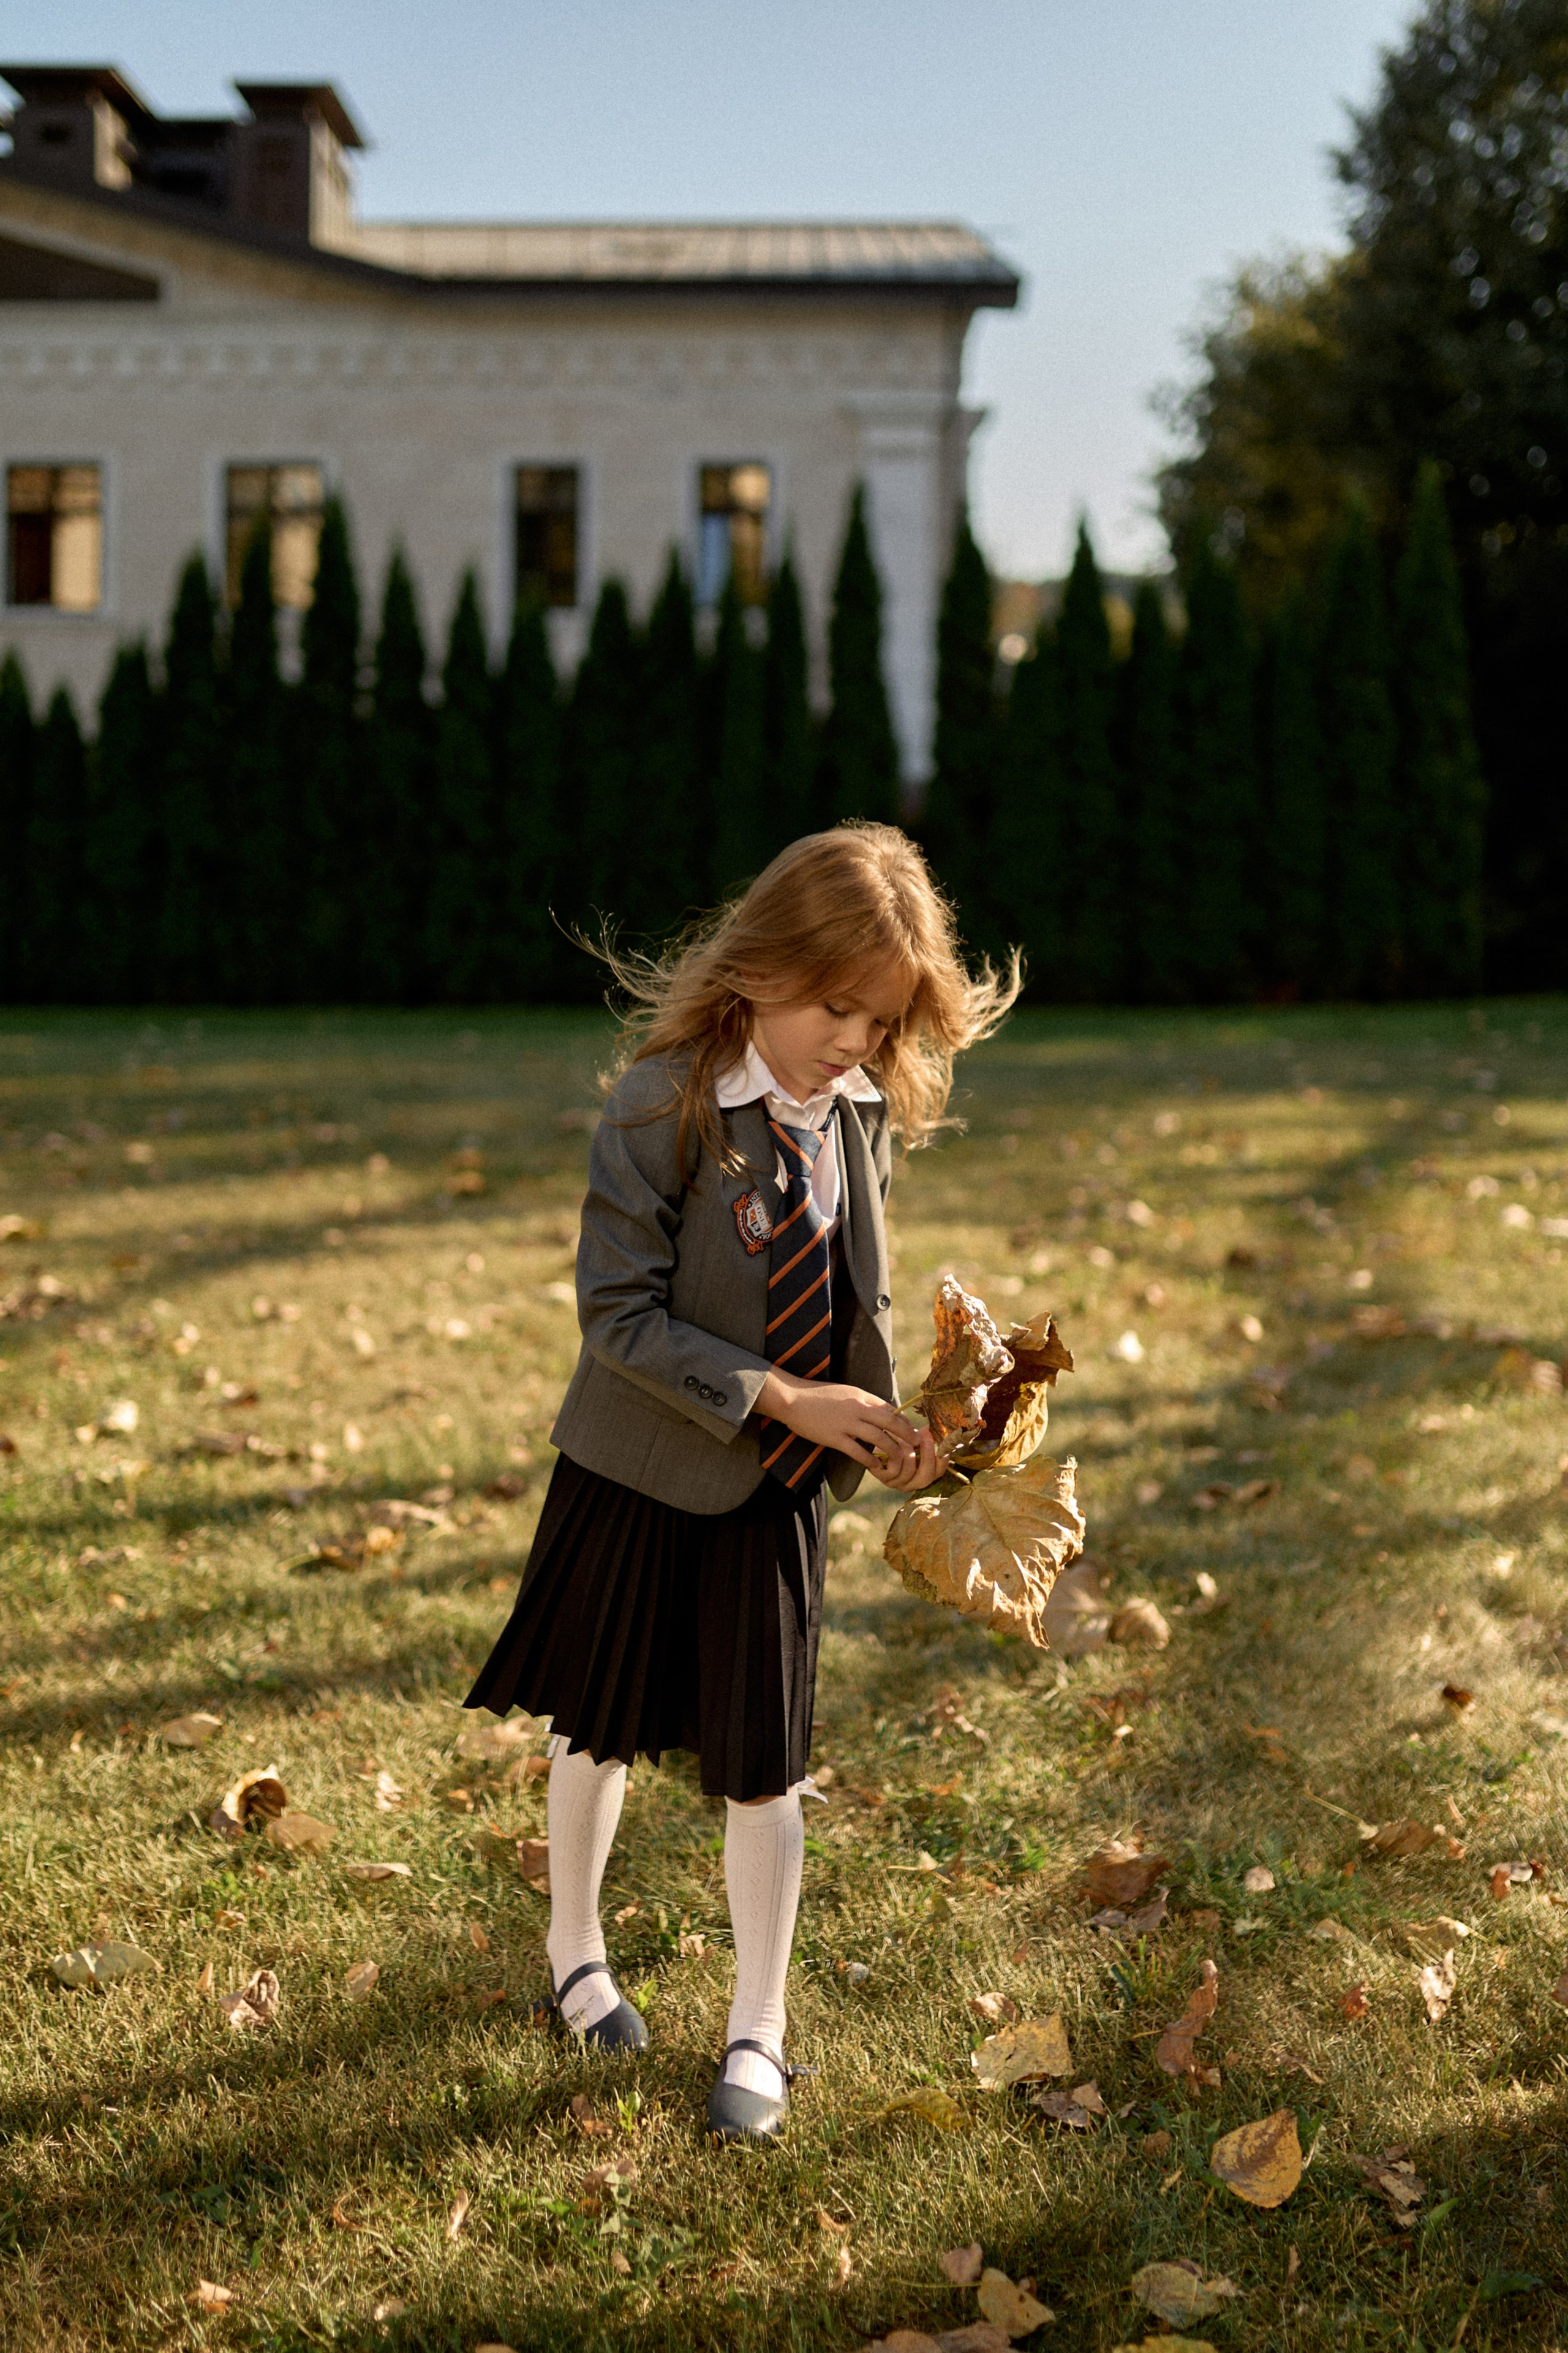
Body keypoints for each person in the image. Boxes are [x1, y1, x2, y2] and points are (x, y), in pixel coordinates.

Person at [464, 821, 1019, 2141]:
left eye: (880, 1021)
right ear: (763, 967)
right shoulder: (660, 1102)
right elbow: (617, 1315)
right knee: (598, 1722)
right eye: (836, 1008)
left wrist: (893, 1424)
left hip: (778, 1488)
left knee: (767, 1759)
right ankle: (574, 1950)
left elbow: (849, 1295)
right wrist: (783, 1395)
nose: (854, 1042)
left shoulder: (860, 1113)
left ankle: (758, 2029)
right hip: (636, 1464)